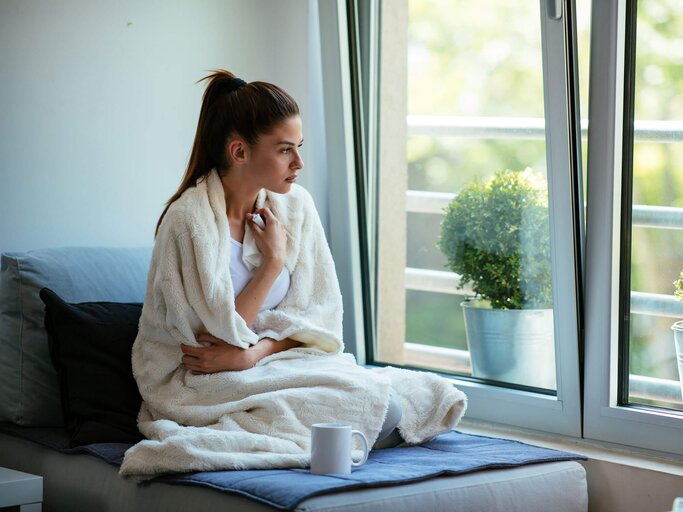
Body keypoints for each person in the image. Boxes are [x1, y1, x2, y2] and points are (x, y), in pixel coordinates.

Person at [119, 70, 465, 477]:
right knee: (381, 408)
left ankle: (348, 428)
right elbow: (219, 336)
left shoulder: (295, 207)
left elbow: (317, 314)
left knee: (425, 396)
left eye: (299, 148)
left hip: (268, 360)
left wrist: (256, 353)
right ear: (239, 151)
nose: (298, 163)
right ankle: (353, 432)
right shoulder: (188, 222)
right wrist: (272, 264)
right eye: (285, 150)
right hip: (197, 379)